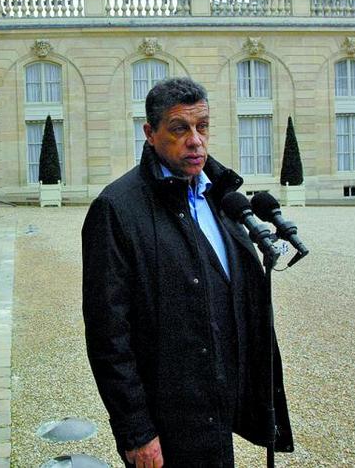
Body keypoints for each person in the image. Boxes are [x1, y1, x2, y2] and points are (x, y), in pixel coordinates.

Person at [82, 77, 293, 467]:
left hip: (219, 405)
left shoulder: (220, 195)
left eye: (203, 126)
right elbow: (108, 335)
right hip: (168, 419)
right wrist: (136, 432)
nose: (195, 140)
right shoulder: (116, 209)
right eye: (180, 129)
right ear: (150, 133)